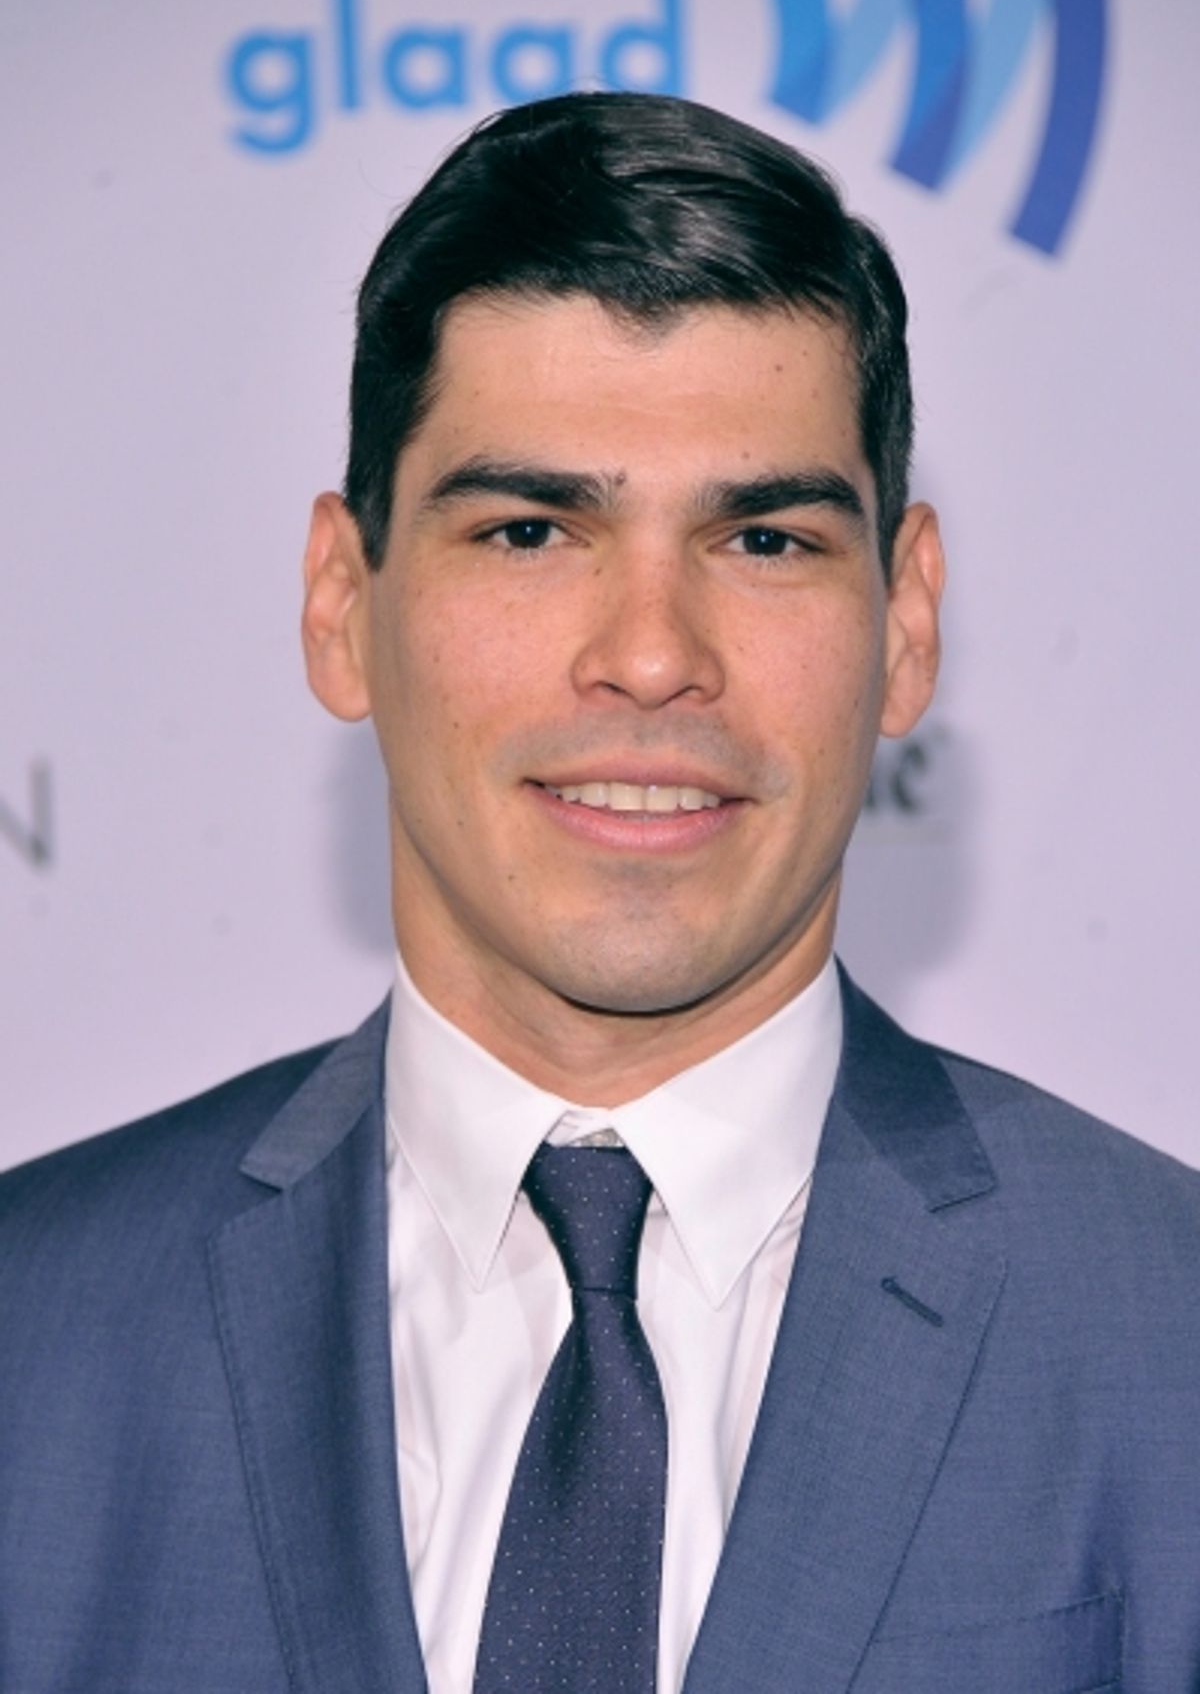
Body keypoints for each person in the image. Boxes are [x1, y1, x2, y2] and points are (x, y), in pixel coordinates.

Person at [1, 92, 1198, 1694]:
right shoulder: (32, 1335)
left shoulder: (1168, 1337)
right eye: (529, 529)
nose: (649, 654)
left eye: (764, 539)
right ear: (342, 605)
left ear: (907, 623)